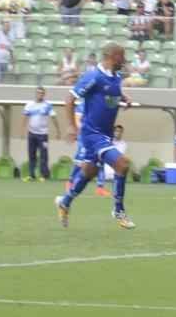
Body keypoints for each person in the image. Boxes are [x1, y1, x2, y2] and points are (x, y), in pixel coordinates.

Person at [55, 43, 136, 229]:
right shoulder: (94, 77)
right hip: (93, 134)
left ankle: (65, 202)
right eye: (121, 56)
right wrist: (71, 126)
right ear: (111, 57)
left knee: (88, 173)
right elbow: (69, 99)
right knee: (123, 164)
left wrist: (124, 97)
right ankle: (118, 210)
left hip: (105, 134)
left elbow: (112, 90)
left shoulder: (116, 76)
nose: (124, 60)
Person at [22, 86, 59, 182]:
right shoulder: (29, 105)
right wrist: (22, 131)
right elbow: (25, 118)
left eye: (42, 93)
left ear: (44, 94)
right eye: (38, 93)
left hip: (43, 135)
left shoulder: (47, 105)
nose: (40, 94)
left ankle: (44, 175)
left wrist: (57, 131)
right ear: (36, 94)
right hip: (31, 134)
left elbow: (54, 118)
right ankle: (31, 175)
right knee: (31, 154)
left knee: (43, 155)